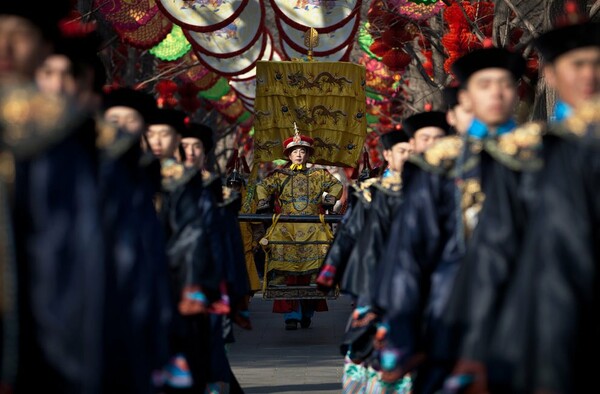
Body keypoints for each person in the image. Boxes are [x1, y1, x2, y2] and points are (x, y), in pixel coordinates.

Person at [479, 9, 600, 393]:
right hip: (545, 318)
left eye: (596, 64)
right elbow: (493, 250)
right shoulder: (524, 158)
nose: (588, 75)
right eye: (576, 64)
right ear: (550, 75)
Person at [255, 124, 343, 330]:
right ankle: (291, 315)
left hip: (313, 224)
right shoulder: (279, 175)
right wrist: (262, 201)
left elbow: (337, 186)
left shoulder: (319, 175)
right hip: (287, 226)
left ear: (308, 154)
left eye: (303, 151)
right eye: (295, 151)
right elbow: (262, 186)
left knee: (314, 268)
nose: (299, 155)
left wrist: (330, 198)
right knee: (287, 270)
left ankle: (308, 311)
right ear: (288, 155)